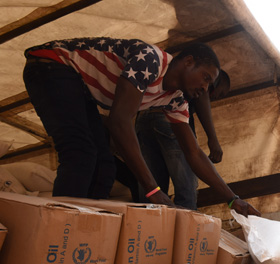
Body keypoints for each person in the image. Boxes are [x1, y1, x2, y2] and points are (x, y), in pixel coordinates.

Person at [22, 37, 259, 217]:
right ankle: (57, 227)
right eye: (206, 78)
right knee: (80, 153)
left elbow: (194, 153)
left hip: (78, 87)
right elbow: (119, 121)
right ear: (188, 62)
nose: (206, 89)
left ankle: (85, 227)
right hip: (52, 65)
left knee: (104, 166)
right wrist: (153, 189)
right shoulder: (151, 60)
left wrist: (232, 199)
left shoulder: (176, 98)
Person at [135, 70, 230, 209]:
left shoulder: (176, 75)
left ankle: (148, 228)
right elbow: (202, 96)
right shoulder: (201, 82)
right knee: (186, 195)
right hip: (168, 122)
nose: (215, 98)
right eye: (219, 93)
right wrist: (213, 139)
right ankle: (187, 230)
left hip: (143, 118)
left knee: (151, 195)